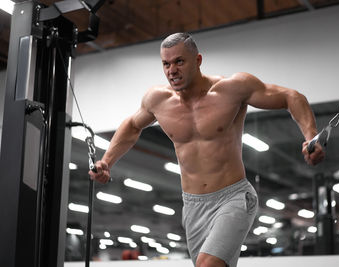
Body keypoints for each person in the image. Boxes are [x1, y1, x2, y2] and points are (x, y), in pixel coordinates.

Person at [89, 32, 325, 267]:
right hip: (192, 206)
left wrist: (310, 137)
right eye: (166, 63)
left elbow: (291, 97)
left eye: (179, 61)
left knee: (207, 265)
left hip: (233, 197)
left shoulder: (232, 89)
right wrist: (107, 161)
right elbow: (131, 126)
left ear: (198, 61)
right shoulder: (157, 100)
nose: (172, 70)